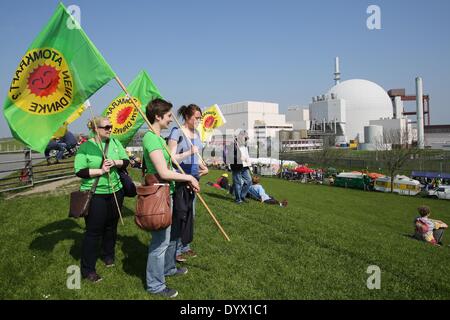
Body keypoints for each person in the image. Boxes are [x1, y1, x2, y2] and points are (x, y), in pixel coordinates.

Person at [142, 98, 200, 298]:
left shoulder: (159, 138)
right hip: (160, 195)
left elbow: (173, 160)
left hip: (169, 193)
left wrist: (192, 162)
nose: (170, 119)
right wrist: (189, 177)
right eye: (167, 116)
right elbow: (164, 172)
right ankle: (155, 285)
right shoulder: (151, 138)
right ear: (157, 116)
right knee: (160, 243)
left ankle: (168, 269)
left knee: (169, 237)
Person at [74, 116, 129, 283]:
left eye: (111, 126)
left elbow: (126, 161)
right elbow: (79, 171)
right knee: (93, 231)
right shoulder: (85, 147)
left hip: (115, 191)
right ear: (95, 129)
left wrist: (115, 162)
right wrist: (100, 171)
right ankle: (88, 269)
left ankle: (108, 255)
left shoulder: (115, 142)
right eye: (106, 127)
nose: (110, 129)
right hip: (95, 193)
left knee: (111, 226)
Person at [168, 104, 208, 263]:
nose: (199, 120)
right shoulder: (176, 132)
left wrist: (202, 165)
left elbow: (196, 156)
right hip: (180, 178)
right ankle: (175, 250)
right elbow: (171, 158)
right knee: (180, 215)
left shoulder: (197, 133)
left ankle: (184, 246)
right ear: (187, 116)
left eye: (200, 118)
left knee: (191, 214)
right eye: (196, 117)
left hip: (194, 178)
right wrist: (188, 152)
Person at [226, 131, 252, 204]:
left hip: (245, 166)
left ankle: (242, 196)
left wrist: (248, 160)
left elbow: (246, 154)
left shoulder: (245, 145)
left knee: (249, 181)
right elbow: (230, 156)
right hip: (236, 166)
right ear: (240, 136)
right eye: (245, 137)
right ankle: (238, 199)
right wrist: (239, 158)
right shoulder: (233, 144)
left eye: (247, 138)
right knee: (238, 183)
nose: (246, 139)